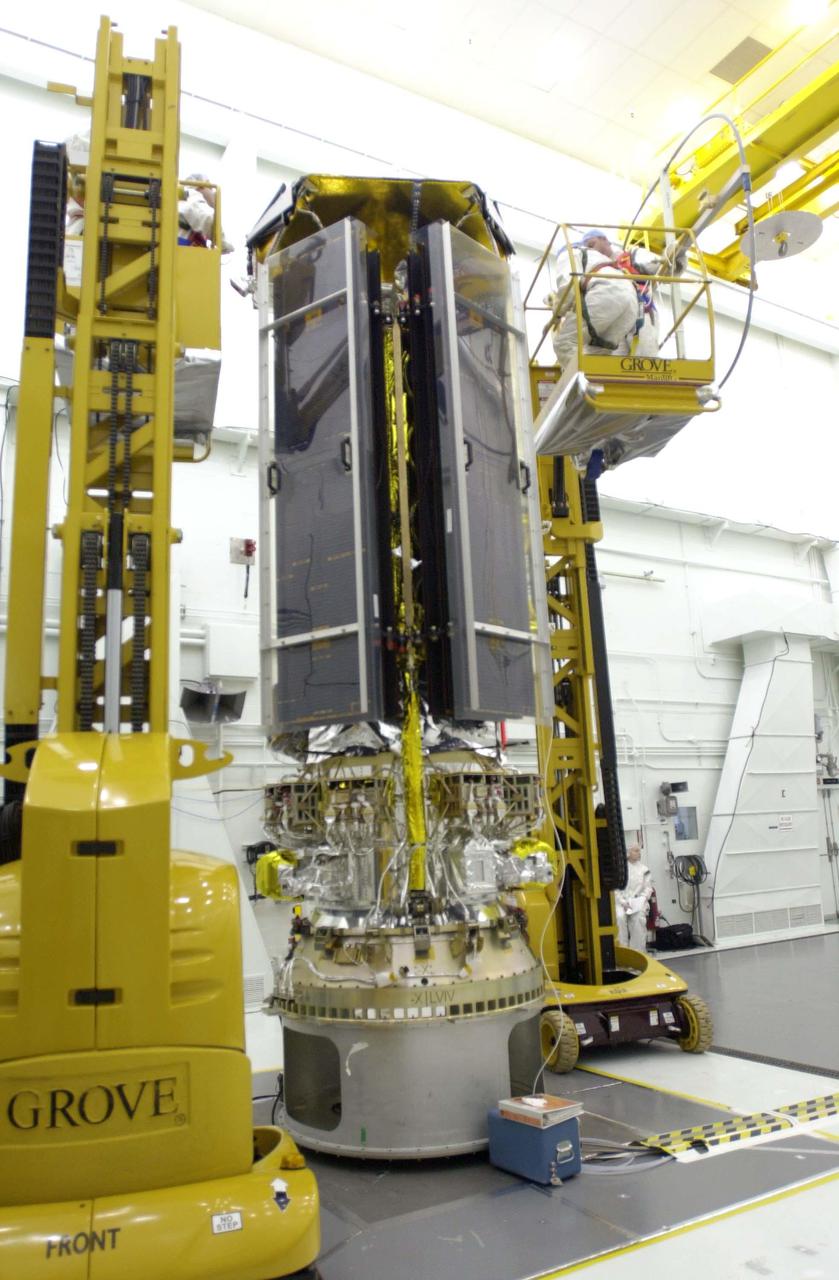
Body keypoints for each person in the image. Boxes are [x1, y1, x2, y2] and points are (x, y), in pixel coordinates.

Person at [550, 229, 676, 369]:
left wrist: (557, 313)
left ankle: (581, 384)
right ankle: (598, 381)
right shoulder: (607, 263)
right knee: (599, 351)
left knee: (564, 343)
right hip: (629, 306)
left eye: (592, 243)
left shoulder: (570, 254)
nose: (591, 247)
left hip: (624, 304)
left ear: (604, 239)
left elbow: (568, 286)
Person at [615, 842, 654, 953]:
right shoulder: (620, 869)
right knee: (619, 918)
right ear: (628, 852)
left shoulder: (644, 870)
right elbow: (615, 889)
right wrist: (623, 902)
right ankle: (623, 953)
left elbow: (648, 888)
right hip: (621, 903)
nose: (638, 853)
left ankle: (638, 952)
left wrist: (641, 900)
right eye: (636, 850)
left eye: (639, 850)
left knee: (638, 920)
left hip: (638, 903)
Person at [179, 173, 233, 252]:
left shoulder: (182, 200)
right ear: (201, 186)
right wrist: (224, 244)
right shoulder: (192, 196)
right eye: (210, 189)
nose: (213, 194)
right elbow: (209, 219)